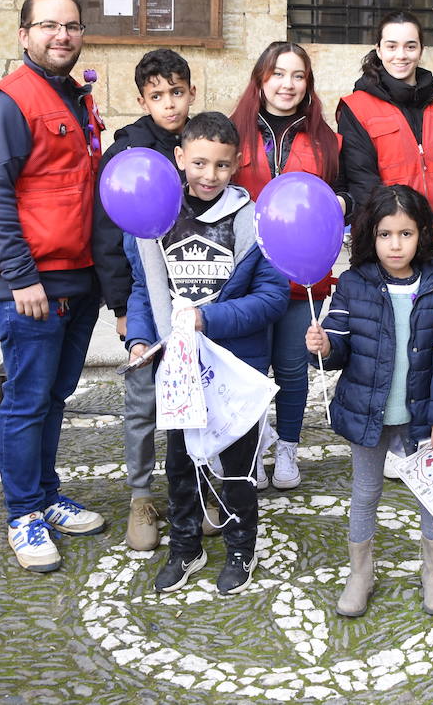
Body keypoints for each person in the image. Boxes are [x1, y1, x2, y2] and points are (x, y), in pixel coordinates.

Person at [0, 0, 107, 572]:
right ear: (23, 34)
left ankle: (46, 494)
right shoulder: (8, 102)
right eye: (49, 25)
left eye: (72, 26)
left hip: (78, 280)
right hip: (31, 285)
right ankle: (23, 512)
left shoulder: (76, 99)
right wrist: (22, 276)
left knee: (54, 396)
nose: (62, 36)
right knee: (26, 401)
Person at [125, 112, 288, 595]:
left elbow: (272, 298)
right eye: (198, 163)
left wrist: (208, 319)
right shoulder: (159, 216)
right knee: (181, 463)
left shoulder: (253, 220)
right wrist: (138, 336)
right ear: (180, 158)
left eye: (221, 165)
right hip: (179, 368)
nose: (209, 175)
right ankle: (185, 546)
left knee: (237, 465)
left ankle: (241, 546)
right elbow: (143, 286)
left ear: (237, 164)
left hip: (235, 366)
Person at [304, 185, 433, 617]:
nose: (395, 245)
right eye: (385, 234)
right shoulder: (354, 284)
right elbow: (339, 348)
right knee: (365, 492)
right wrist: (321, 345)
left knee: (431, 494)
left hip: (422, 414)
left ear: (423, 234)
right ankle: (361, 572)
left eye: (406, 234)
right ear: (369, 237)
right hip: (367, 411)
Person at [231, 41, 347, 491]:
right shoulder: (234, 131)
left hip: (305, 271)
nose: (287, 84)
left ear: (308, 84)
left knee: (294, 366)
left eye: (298, 75)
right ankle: (255, 446)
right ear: (261, 79)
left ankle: (288, 449)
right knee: (252, 368)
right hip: (248, 273)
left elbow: (351, 191)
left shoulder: (325, 139)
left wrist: (339, 202)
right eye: (278, 73)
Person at [92, 48, 196, 551]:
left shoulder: (200, 143)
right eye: (158, 96)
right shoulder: (126, 153)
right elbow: (108, 236)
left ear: (191, 93)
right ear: (142, 99)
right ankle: (140, 496)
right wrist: (119, 310)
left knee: (196, 398)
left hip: (192, 295)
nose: (170, 104)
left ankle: (198, 486)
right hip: (141, 299)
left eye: (177, 93)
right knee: (143, 400)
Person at [338, 11, 433, 244]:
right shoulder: (357, 107)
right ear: (379, 50)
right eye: (391, 46)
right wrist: (395, 236)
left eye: (410, 46)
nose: (401, 55)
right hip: (388, 244)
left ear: (421, 50)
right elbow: (361, 182)